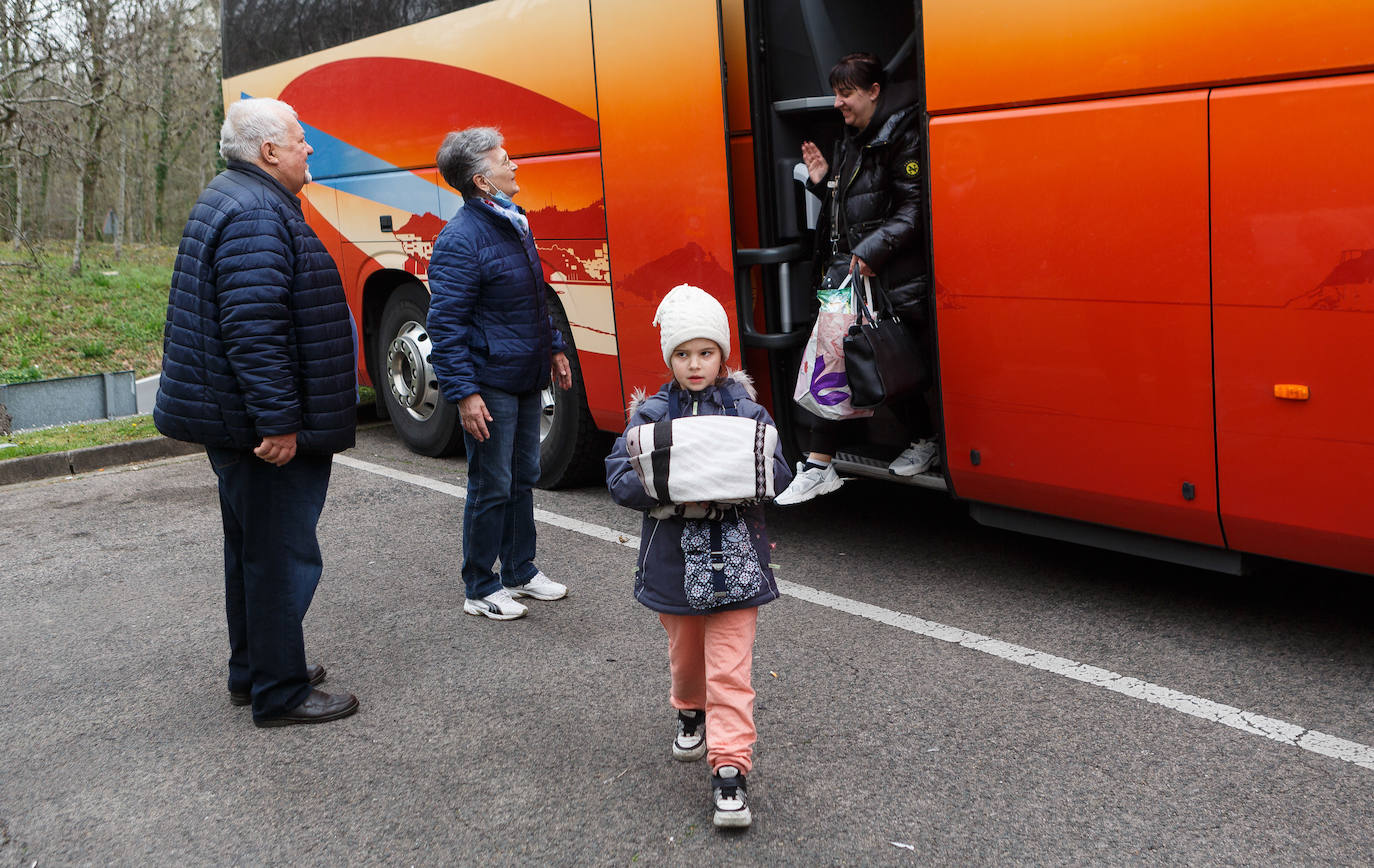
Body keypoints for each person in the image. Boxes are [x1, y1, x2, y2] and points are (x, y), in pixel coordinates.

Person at [154, 97, 359, 727]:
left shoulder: (236, 197)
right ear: (269, 151)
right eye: (301, 138)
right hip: (259, 429)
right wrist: (277, 421)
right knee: (280, 556)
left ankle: (256, 670)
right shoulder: (256, 214)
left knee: (253, 550)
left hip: (235, 421)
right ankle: (280, 691)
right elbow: (254, 327)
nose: (309, 148)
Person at [605, 284, 793, 829]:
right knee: (688, 657)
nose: (694, 364)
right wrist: (672, 484)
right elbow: (620, 478)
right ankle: (689, 708)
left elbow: (776, 473)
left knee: (731, 669)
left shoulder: (747, 409)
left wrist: (735, 476)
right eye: (683, 354)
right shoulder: (651, 413)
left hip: (737, 560)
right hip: (673, 560)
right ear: (669, 358)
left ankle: (729, 772)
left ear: (723, 355)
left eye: (705, 352)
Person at [775, 51, 939, 506]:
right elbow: (850, 209)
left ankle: (920, 442)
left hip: (889, 275)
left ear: (874, 92)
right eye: (835, 93)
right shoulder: (854, 136)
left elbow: (913, 210)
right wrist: (823, 182)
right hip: (857, 275)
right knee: (847, 356)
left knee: (890, 364)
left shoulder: (900, 136)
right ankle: (819, 464)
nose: (837, 104)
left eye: (846, 94)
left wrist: (869, 253)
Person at [427, 127, 573, 620]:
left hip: (524, 373)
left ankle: (519, 571)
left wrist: (553, 347)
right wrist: (465, 393)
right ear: (482, 181)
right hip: (490, 380)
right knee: (492, 482)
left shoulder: (513, 222)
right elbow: (445, 325)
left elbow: (533, 297)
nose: (516, 166)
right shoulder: (460, 239)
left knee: (521, 476)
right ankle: (481, 585)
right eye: (506, 160)